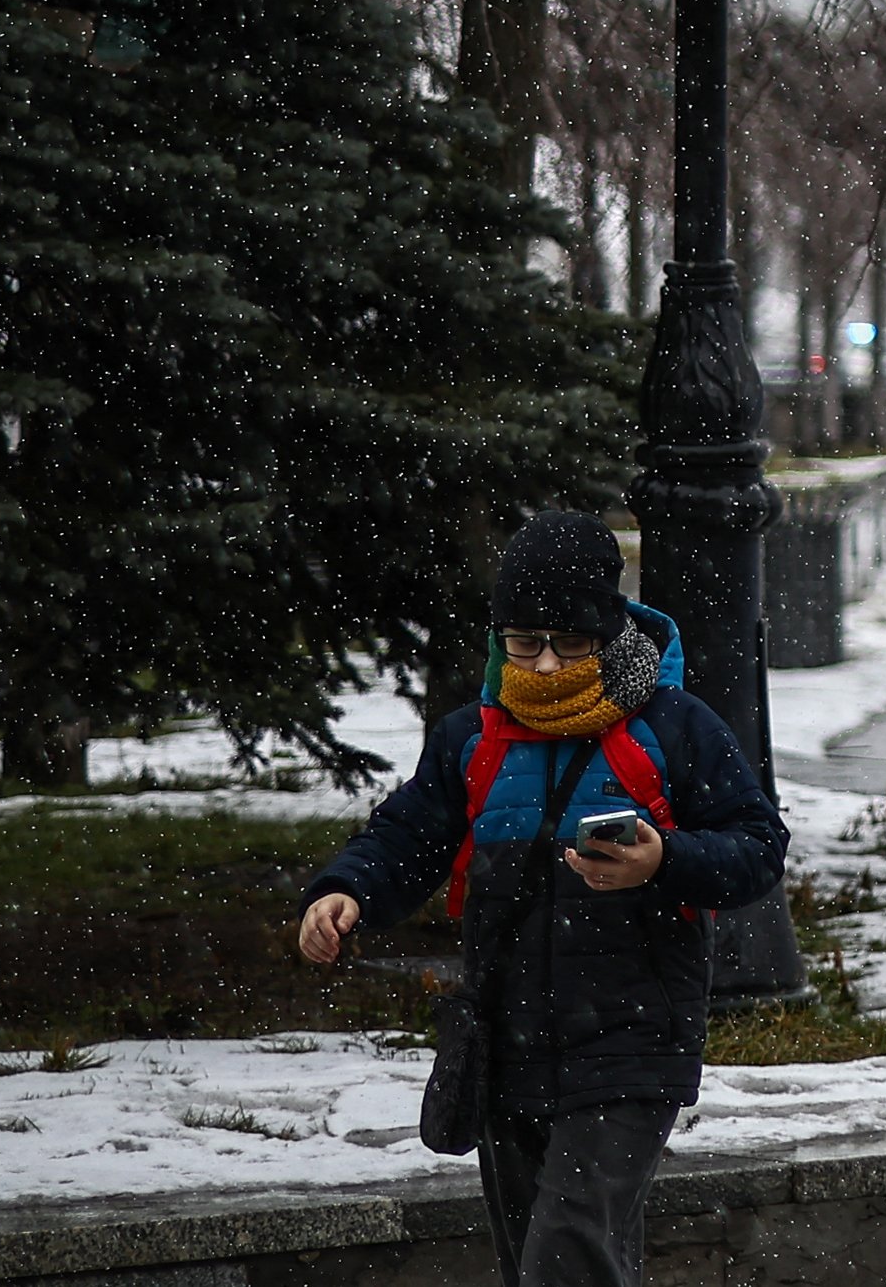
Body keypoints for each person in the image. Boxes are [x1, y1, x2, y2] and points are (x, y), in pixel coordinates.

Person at [298, 513, 789, 1287]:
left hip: (634, 1040)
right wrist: (342, 892)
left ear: (611, 630)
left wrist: (664, 859)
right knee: (548, 1257)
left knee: (567, 1251)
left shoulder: (674, 727)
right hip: (508, 1042)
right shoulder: (472, 738)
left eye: (570, 642)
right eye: (525, 643)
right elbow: (405, 837)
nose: (549, 665)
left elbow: (758, 848)